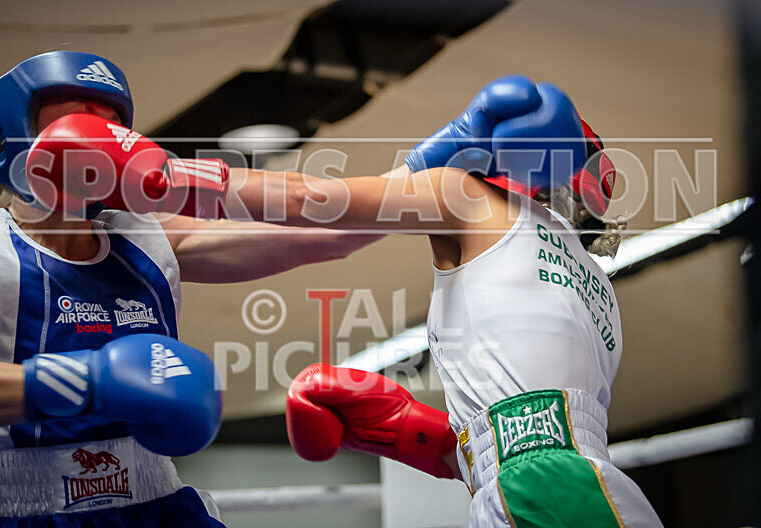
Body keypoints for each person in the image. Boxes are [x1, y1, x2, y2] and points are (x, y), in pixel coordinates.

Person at [0, 51, 382, 527]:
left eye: (110, 122)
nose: (97, 135)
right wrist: (92, 381)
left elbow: (331, 232)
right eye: (77, 117)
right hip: (31, 510)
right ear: (11, 133)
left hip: (163, 504)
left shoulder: (145, 233)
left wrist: (431, 170)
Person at [234, 76, 662, 526]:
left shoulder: (470, 198)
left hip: (543, 491)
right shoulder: (599, 290)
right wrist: (402, 429)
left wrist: (184, 182)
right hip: (572, 487)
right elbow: (541, 428)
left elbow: (309, 202)